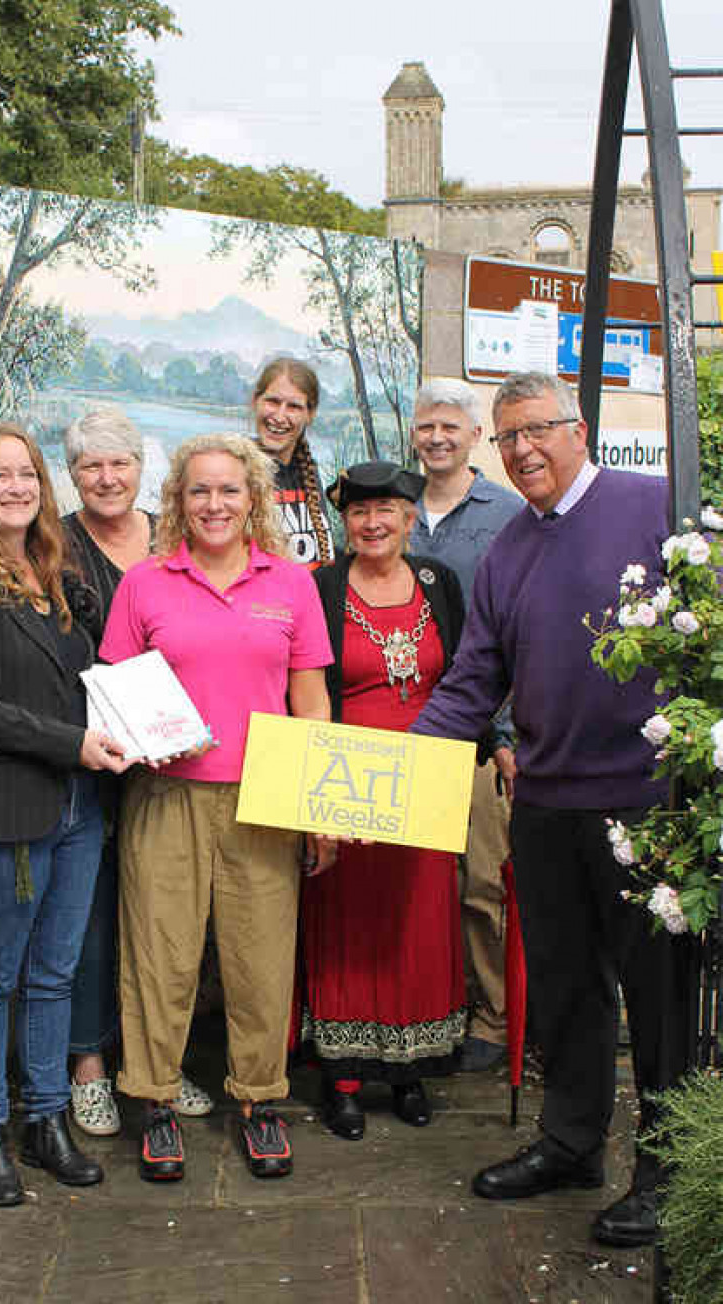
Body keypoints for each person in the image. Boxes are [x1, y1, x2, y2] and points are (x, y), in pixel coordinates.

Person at [412, 371, 692, 1248]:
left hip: (648, 807)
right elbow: (472, 680)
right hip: (543, 803)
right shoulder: (509, 550)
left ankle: (671, 1170)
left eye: (539, 429)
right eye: (510, 437)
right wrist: (398, 767)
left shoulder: (661, 507)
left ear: (580, 430)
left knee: (661, 999)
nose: (525, 449)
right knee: (568, 991)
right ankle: (572, 1143)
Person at [100, 433, 334, 1182]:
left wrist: (319, 803)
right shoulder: (145, 582)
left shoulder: (291, 584)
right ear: (178, 500)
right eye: (199, 490)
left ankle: (261, 1101)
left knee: (262, 959)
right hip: (165, 797)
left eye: (229, 490)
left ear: (253, 499)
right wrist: (138, 738)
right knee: (158, 957)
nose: (214, 504)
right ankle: (156, 1104)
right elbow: (114, 689)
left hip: (266, 796)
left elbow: (311, 697)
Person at [0, 424, 131, 1207]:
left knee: (55, 972)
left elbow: (88, 681)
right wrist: (73, 744)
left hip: (78, 806)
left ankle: (46, 1122)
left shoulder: (54, 573)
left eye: (27, 475)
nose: (16, 488)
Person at [303, 461, 467, 1141]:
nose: (373, 523)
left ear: (409, 517)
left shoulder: (439, 583)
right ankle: (342, 1078)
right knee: (347, 920)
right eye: (360, 512)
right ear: (346, 521)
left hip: (429, 774)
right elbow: (305, 687)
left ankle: (409, 1070)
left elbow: (464, 674)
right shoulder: (323, 587)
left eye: (387, 511)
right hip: (348, 775)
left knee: (418, 920)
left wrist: (495, 746)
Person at [60, 405, 213, 1136]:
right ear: (72, 474)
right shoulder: (52, 545)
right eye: (92, 465)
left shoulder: (173, 536)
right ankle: (88, 1067)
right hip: (87, 761)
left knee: (163, 922)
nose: (107, 477)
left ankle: (156, 1063)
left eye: (119, 462)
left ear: (141, 469)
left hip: (174, 763)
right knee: (91, 915)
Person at [409, 379, 523, 1073]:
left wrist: (507, 733)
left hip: (481, 732)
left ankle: (493, 1016)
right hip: (411, 728)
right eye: (427, 426)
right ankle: (431, 1010)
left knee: (483, 883)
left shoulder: (509, 515)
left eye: (451, 426)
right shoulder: (394, 508)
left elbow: (519, 631)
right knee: (422, 882)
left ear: (475, 435)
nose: (438, 437)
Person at [251, 358, 334, 566]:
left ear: (310, 414)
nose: (280, 417)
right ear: (255, 402)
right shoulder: (236, 468)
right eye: (273, 402)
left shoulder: (309, 471)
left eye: (293, 407)